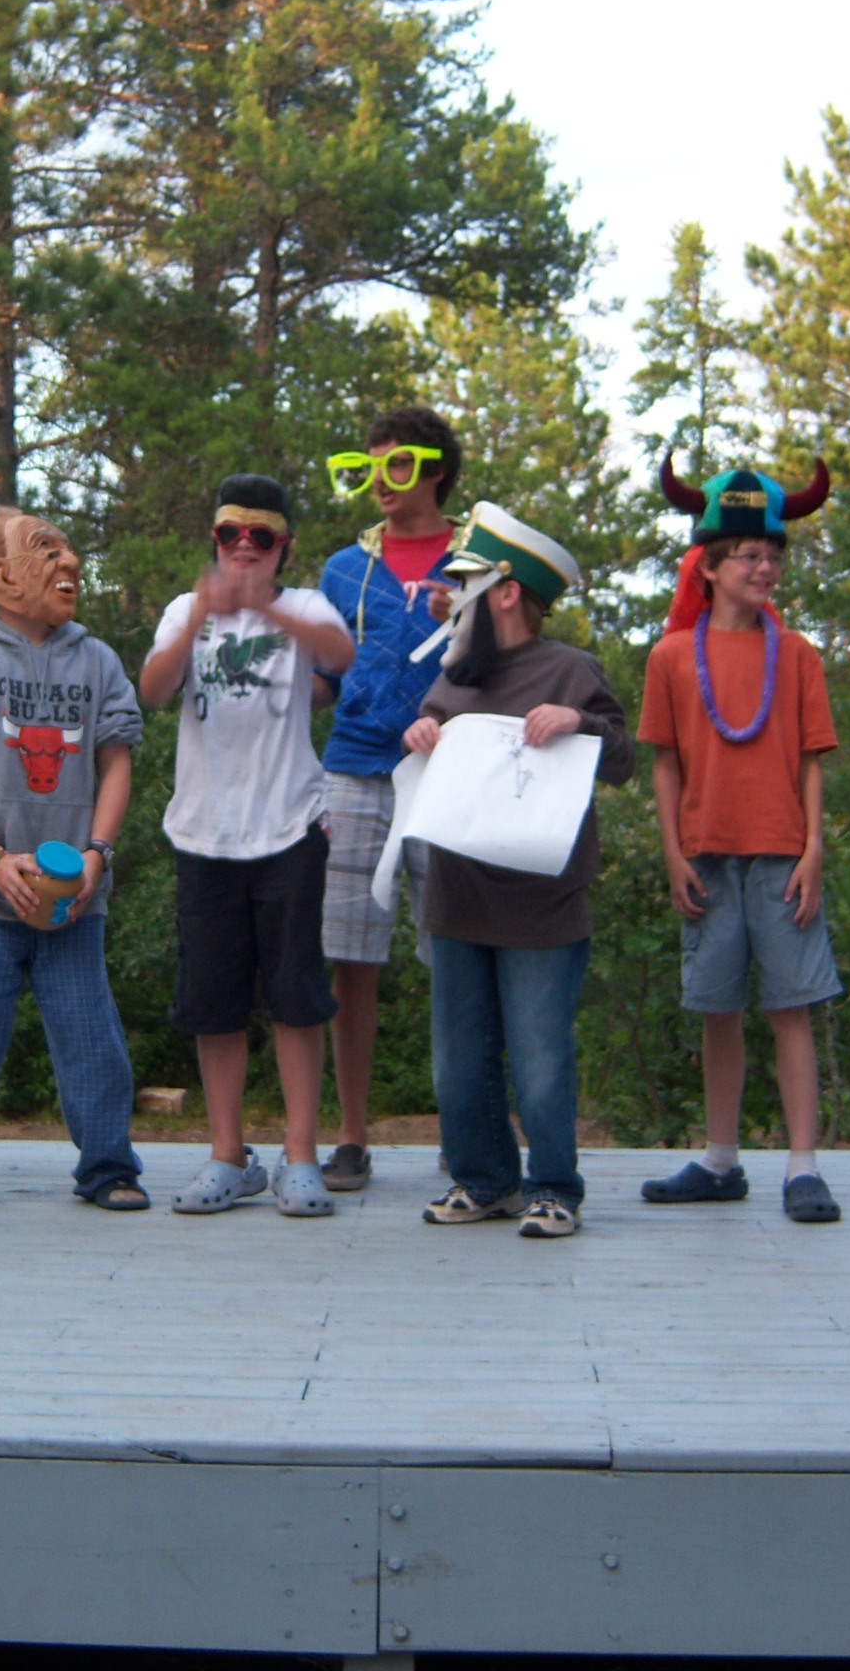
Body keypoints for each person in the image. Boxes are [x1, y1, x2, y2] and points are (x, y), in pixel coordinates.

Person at [0, 508, 148, 1212]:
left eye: (69, 549)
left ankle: (109, 1168)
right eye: (45, 550)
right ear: (3, 574)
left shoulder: (98, 661)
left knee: (89, 1029)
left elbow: (116, 763)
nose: (68, 562)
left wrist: (98, 853)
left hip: (74, 894)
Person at [402, 504, 633, 1239]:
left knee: (540, 1061)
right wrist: (422, 733)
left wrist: (580, 723)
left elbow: (623, 760)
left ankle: (554, 1187)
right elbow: (430, 763)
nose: (451, 594)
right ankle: (485, 1182)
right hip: (457, 900)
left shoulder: (570, 670)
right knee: (459, 1065)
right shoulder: (455, 673)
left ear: (505, 592)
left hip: (542, 909)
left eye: (466, 582)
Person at [139, 475, 359, 1217]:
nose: (243, 548)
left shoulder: (306, 606)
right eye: (229, 534)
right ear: (214, 540)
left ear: (282, 547)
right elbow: (151, 691)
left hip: (290, 825)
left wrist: (266, 608)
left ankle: (301, 1157)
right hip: (204, 832)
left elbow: (341, 654)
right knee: (213, 1003)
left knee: (298, 998)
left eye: (260, 537)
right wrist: (202, 615)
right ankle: (228, 1155)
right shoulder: (184, 609)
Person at [639, 456, 845, 1223]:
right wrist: (672, 852)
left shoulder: (797, 654)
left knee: (792, 1007)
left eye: (773, 557)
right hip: (705, 856)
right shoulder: (670, 656)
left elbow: (811, 758)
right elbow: (665, 762)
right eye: (749, 557)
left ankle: (802, 1165)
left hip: (782, 855)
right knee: (716, 1009)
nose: (765, 569)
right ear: (709, 567)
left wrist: (814, 849)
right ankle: (720, 1159)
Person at [313, 406, 465, 1191]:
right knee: (349, 960)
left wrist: (464, 619)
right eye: (369, 464)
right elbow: (318, 679)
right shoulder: (343, 569)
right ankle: (351, 1136)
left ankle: (464, 1133)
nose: (381, 479)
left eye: (398, 463)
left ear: (435, 469)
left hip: (452, 773)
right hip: (354, 768)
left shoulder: (481, 558)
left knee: (459, 958)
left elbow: (517, 657)